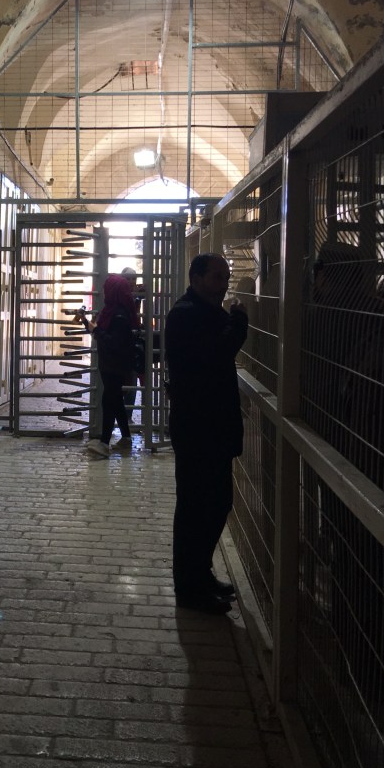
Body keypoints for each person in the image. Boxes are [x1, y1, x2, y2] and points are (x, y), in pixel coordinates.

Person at [165, 253, 248, 613]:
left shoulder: (203, 311)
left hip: (210, 428)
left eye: (226, 277)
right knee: (197, 509)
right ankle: (190, 588)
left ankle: (199, 574)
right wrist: (240, 320)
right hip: (198, 430)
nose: (224, 285)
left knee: (214, 504)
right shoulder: (186, 314)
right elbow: (218, 352)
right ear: (196, 278)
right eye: (217, 277)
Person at [85, 273, 139, 458]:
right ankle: (126, 438)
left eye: (106, 288)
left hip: (115, 365)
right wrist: (87, 322)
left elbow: (113, 342)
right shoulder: (113, 311)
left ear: (113, 291)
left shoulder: (119, 315)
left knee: (109, 400)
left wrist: (96, 330)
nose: (104, 292)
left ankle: (104, 443)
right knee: (115, 401)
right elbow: (102, 333)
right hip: (110, 363)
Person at [120, 266, 144, 418]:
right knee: (121, 380)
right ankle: (120, 415)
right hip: (120, 343)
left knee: (132, 380)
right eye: (127, 278)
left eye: (133, 278)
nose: (130, 281)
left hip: (133, 343)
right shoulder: (118, 295)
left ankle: (127, 416)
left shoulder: (137, 295)